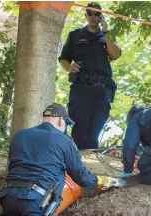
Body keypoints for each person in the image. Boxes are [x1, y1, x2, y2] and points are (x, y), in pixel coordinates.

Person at [0, 103, 117, 215]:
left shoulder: (20, 135)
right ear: (61, 120)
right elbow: (80, 175)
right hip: (35, 201)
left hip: (7, 197)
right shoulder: (63, 140)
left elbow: (13, 165)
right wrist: (98, 180)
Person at [58, 2, 121, 150]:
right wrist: (69, 67)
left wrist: (106, 34)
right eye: (90, 13)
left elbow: (115, 55)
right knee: (79, 128)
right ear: (86, 15)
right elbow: (63, 58)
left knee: (95, 130)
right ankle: (74, 161)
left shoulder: (107, 37)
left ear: (101, 16)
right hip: (82, 87)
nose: (93, 16)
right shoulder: (75, 35)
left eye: (97, 13)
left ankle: (90, 164)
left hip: (102, 90)